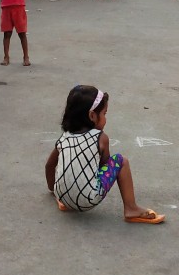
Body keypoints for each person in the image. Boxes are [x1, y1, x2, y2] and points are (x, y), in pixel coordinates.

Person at [45, 85, 165, 224]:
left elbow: (49, 166)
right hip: (87, 200)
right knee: (121, 161)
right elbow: (104, 166)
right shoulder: (101, 138)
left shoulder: (63, 138)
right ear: (92, 115)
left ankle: (63, 198)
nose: (105, 117)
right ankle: (131, 208)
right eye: (104, 113)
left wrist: (55, 191)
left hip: (63, 197)